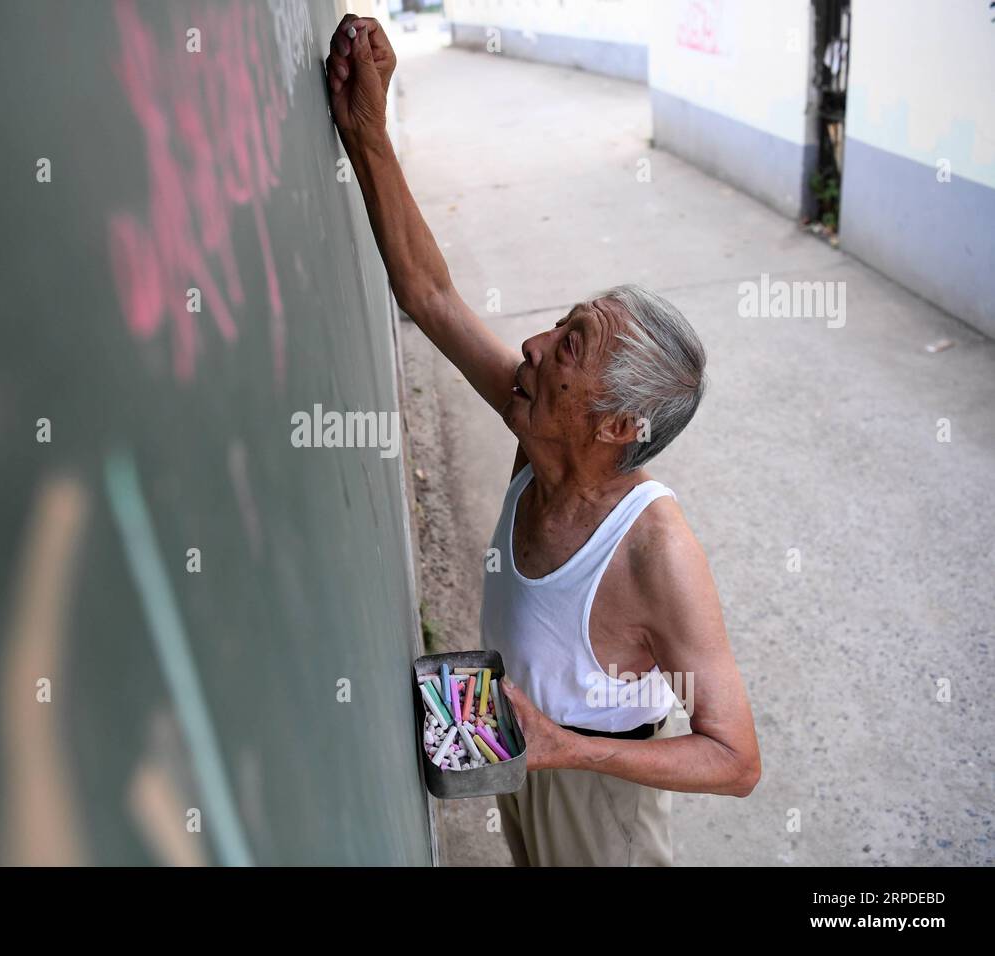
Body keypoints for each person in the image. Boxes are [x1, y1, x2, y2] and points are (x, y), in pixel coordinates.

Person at [326, 14, 761, 866]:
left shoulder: (655, 549)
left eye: (567, 348)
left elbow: (735, 757)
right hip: (522, 748)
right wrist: (366, 132)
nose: (529, 347)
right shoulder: (539, 429)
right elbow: (431, 296)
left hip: (600, 798)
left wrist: (563, 749)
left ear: (618, 426)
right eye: (560, 327)